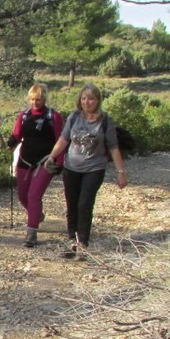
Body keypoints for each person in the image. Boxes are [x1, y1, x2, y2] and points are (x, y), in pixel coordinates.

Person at [43, 83, 128, 259]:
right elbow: (64, 140)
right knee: (72, 205)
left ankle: (82, 243)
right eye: (84, 98)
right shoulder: (74, 117)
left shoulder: (105, 121)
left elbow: (113, 148)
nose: (87, 102)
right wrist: (51, 157)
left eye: (91, 98)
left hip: (94, 168)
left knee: (85, 204)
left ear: (97, 101)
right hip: (71, 167)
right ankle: (71, 241)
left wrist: (121, 172)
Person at [8, 83, 65, 248]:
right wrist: (12, 141)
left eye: (38, 99)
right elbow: (17, 134)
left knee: (34, 195)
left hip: (45, 162)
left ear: (44, 99)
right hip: (25, 160)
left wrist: (59, 162)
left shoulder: (53, 116)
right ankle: (37, 214)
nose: (35, 103)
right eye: (32, 99)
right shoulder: (24, 116)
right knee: (22, 196)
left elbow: (61, 140)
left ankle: (31, 232)